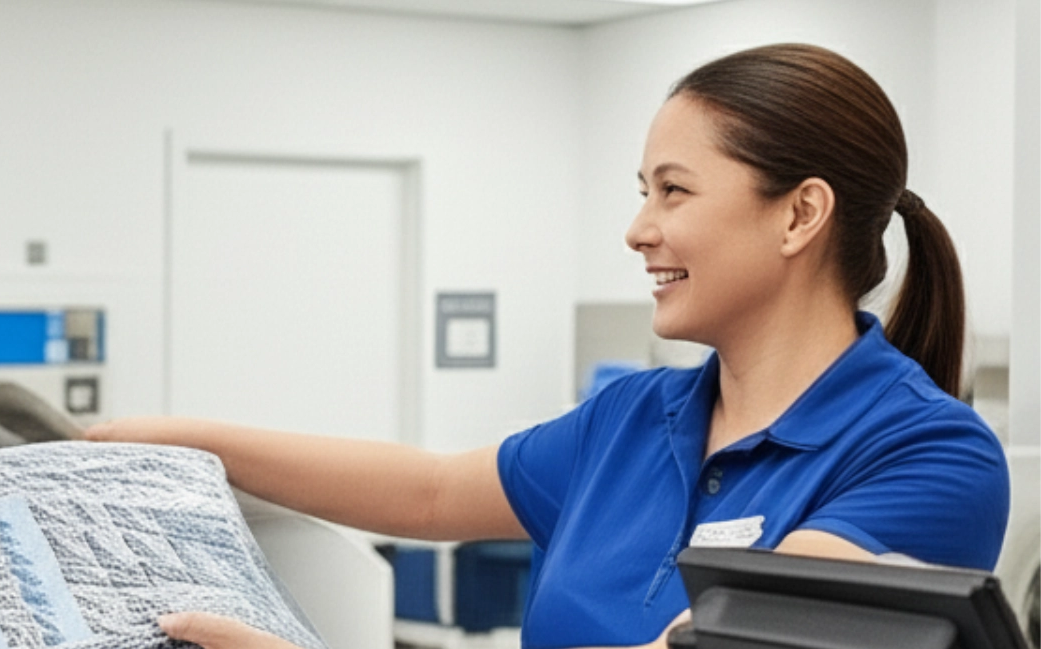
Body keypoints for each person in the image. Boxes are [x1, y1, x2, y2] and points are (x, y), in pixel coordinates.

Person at [89, 43, 1010, 649]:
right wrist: (185, 443)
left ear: (801, 213)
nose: (638, 229)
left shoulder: (928, 458)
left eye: (673, 191)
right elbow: (434, 488)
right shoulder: (637, 417)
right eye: (642, 191)